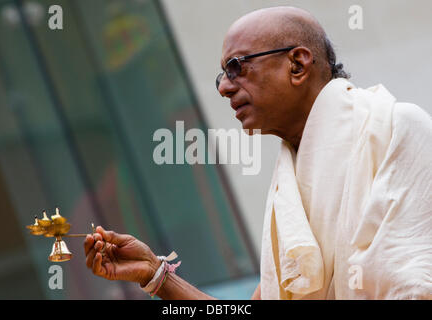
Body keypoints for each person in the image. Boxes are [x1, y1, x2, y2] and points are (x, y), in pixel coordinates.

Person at [85, 6, 432, 299]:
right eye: (221, 75)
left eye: (236, 66)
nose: (223, 87)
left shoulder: (396, 126)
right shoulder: (288, 184)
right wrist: (156, 275)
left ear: (297, 65)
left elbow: (416, 286)